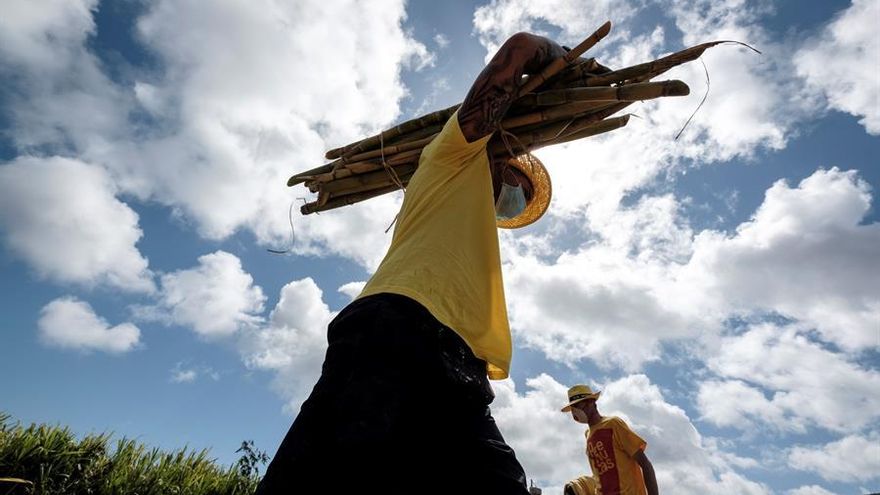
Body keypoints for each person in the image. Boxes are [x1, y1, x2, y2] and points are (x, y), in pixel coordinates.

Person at [255, 32, 568, 494]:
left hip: (459, 362)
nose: (512, 192)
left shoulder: (473, 220)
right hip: (399, 327)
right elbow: (517, 50)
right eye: (514, 177)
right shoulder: (449, 158)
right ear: (495, 152)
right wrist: (554, 55)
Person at [561, 385, 659, 495]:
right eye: (573, 408)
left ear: (592, 403)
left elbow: (645, 464)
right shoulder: (588, 435)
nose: (575, 411)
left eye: (578, 405)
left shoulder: (613, 424)